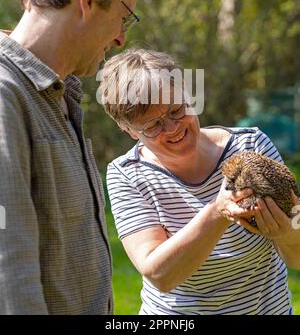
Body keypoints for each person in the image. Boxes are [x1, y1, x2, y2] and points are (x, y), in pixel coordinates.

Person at [0, 0, 145, 314]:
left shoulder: (60, 95)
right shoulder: (5, 93)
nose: (120, 40)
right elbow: (8, 269)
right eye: (124, 17)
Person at [100, 48, 300, 315]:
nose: (172, 128)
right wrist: (217, 212)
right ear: (127, 129)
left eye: (176, 110)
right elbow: (160, 275)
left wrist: (285, 232)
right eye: (153, 125)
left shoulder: (252, 145)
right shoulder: (127, 174)